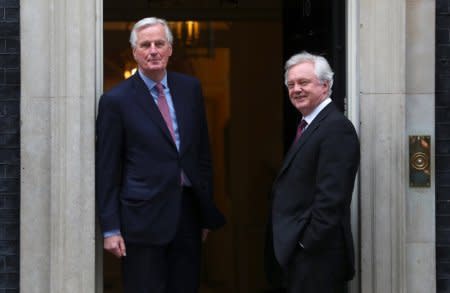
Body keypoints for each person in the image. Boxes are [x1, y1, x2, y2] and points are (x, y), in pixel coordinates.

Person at [95, 17, 225, 293]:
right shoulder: (116, 101)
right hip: (141, 219)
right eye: (145, 45)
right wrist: (110, 228)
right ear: (135, 52)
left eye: (159, 44)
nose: (152, 50)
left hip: (187, 213)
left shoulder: (190, 89)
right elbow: (108, 168)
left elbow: (202, 155)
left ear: (170, 49)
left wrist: (204, 211)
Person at [270, 52, 360, 292]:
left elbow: (332, 199)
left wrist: (303, 243)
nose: (296, 89)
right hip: (305, 258)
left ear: (325, 85)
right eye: (291, 84)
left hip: (318, 258)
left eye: (303, 82)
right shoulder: (309, 125)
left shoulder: (336, 128)